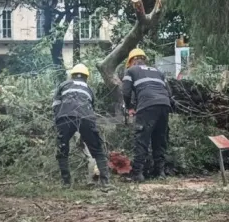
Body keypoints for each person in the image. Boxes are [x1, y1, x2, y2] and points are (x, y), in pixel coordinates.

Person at [53, 63, 111, 191]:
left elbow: (56, 105)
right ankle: (106, 183)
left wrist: (58, 122)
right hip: (86, 117)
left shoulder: (63, 85)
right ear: (86, 77)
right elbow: (92, 108)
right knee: (97, 150)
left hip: (65, 117)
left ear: (71, 75)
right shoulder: (89, 89)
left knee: (62, 150)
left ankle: (66, 183)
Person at [122, 48, 173, 182]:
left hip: (147, 105)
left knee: (142, 139)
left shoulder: (131, 71)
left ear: (132, 61)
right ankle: (160, 172)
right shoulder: (159, 72)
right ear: (145, 59)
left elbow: (126, 92)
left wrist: (130, 108)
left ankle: (138, 174)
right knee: (159, 139)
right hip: (164, 104)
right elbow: (169, 91)